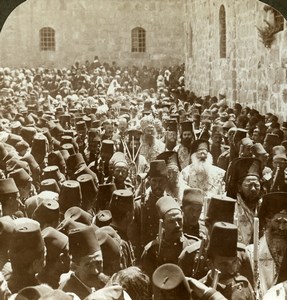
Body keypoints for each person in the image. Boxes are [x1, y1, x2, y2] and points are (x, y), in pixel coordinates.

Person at [140, 195, 194, 278]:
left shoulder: (192, 247)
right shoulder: (152, 251)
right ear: (162, 224)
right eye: (171, 221)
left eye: (179, 220)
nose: (177, 225)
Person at [246, 192, 287, 297]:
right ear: (268, 221)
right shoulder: (250, 252)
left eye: (286, 223)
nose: (282, 228)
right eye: (278, 222)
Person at [200, 222, 255, 300]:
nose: (231, 271)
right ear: (210, 264)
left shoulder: (244, 286)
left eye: (234, 263)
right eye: (224, 264)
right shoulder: (198, 290)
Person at [129, 160, 169, 261]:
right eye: (154, 181)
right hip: (143, 256)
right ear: (149, 181)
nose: (157, 185)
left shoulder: (171, 204)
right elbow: (133, 236)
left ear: (167, 181)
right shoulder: (139, 205)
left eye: (161, 181)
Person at [59, 225, 108, 299]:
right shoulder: (67, 295)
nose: (95, 271)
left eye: (99, 263)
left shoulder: (102, 284)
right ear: (75, 265)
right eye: (88, 265)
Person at [226, 157, 263, 245]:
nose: (253, 189)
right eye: (249, 185)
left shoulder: (264, 205)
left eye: (256, 185)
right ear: (239, 187)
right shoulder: (229, 206)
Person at [6, 218, 46, 294]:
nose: (44, 257)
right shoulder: (41, 294)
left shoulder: (4, 287)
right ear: (35, 263)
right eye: (43, 254)